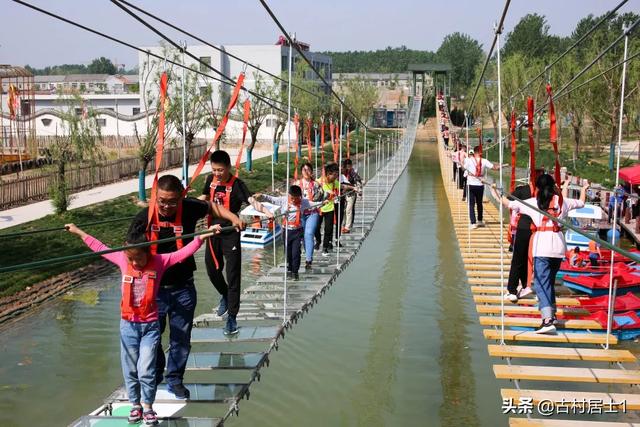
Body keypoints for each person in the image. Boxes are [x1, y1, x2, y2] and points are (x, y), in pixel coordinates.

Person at [66, 223, 220, 424]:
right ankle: (135, 405)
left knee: (146, 368)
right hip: (128, 326)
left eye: (139, 258)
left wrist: (202, 237)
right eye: (131, 258)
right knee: (129, 369)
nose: (135, 262)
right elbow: (100, 247)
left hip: (150, 327)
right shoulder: (123, 260)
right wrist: (79, 232)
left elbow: (183, 253)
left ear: (149, 252)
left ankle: (148, 406)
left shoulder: (159, 262)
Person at [128, 175, 242, 399]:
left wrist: (233, 217)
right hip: (154, 289)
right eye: (162, 201)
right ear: (155, 197)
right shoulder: (143, 218)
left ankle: (175, 380)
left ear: (181, 197)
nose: (167, 206)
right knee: (152, 337)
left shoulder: (189, 207)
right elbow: (129, 250)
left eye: (172, 201)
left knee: (181, 337)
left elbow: (212, 207)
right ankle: (157, 373)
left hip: (183, 288)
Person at [199, 150, 272, 336]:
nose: (217, 173)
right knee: (212, 269)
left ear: (228, 167)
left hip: (231, 233)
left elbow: (251, 201)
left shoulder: (237, 184)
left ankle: (232, 317)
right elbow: (204, 199)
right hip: (212, 231)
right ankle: (224, 294)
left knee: (233, 275)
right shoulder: (209, 180)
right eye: (214, 170)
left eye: (220, 170)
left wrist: (266, 212)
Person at [506, 174, 588, 334]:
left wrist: (496, 191)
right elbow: (582, 203)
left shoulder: (533, 202)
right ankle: (553, 314)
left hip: (542, 247)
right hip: (558, 248)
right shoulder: (562, 202)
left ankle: (547, 320)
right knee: (548, 282)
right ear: (553, 187)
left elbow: (509, 203)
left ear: (537, 188)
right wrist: (584, 189)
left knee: (540, 284)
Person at [254, 185, 312, 280]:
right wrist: (262, 196)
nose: (293, 200)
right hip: (286, 231)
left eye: (296, 198)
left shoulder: (303, 202)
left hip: (297, 231)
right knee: (288, 252)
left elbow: (313, 203)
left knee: (296, 252)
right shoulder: (284, 200)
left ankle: (295, 272)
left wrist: (324, 202)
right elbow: (272, 199)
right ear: (289, 195)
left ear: (299, 197)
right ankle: (289, 269)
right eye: (292, 198)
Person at [295, 162, 324, 270]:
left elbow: (320, 198)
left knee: (309, 233)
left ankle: (308, 259)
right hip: (300, 213)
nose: (306, 172)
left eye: (308, 170)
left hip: (312, 212)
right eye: (304, 170)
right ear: (301, 172)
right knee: (302, 236)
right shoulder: (297, 184)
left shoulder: (316, 185)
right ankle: (308, 254)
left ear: (311, 172)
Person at [464, 145, 501, 229]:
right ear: (480, 152)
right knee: (479, 203)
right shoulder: (484, 161)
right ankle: (480, 221)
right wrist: (499, 167)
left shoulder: (469, 160)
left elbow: (464, 167)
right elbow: (494, 167)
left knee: (471, 204)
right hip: (480, 185)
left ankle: (473, 223)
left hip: (471, 185)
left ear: (474, 152)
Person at [319, 162, 340, 256]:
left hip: (330, 209)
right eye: (334, 175)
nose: (336, 177)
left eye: (337, 175)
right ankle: (318, 241)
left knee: (328, 229)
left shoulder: (334, 182)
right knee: (316, 228)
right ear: (328, 174)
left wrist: (353, 188)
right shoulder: (319, 181)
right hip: (318, 208)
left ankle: (325, 248)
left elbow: (342, 186)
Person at [341, 158, 363, 234]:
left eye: (349, 166)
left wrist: (360, 192)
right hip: (342, 194)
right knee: (343, 210)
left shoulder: (353, 173)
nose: (348, 168)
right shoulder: (341, 174)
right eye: (346, 166)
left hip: (351, 194)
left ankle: (348, 227)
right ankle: (344, 225)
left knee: (349, 210)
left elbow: (358, 181)